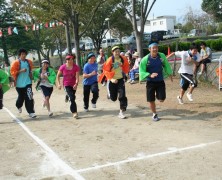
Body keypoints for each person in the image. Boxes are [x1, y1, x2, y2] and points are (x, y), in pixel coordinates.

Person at [139, 43, 173, 121]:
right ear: (149, 49)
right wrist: (150, 75)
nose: (155, 49)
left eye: (156, 48)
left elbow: (166, 65)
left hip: (160, 81)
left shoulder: (161, 56)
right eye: (153, 48)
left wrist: (170, 74)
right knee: (151, 100)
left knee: (161, 99)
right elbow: (141, 71)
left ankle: (158, 95)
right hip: (150, 82)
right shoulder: (145, 59)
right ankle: (154, 114)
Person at [101, 46, 130, 119]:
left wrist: (126, 73)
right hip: (112, 80)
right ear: (112, 52)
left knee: (122, 95)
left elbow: (126, 65)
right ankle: (110, 95)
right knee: (113, 98)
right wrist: (111, 79)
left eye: (118, 51)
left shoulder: (123, 58)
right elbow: (105, 71)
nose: (117, 53)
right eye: (115, 51)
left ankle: (121, 111)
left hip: (120, 79)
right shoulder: (110, 60)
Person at [10, 48, 36, 118]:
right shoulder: (16, 63)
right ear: (19, 55)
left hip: (28, 83)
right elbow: (12, 73)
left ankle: (31, 112)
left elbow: (31, 71)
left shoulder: (29, 62)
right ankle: (18, 106)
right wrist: (20, 71)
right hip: (19, 84)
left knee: (29, 96)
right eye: (22, 54)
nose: (24, 55)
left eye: (25, 54)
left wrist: (31, 75)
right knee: (21, 97)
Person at [56, 54, 80, 118]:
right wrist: (58, 84)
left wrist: (76, 84)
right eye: (68, 59)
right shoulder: (62, 67)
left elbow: (77, 77)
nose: (69, 61)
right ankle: (74, 112)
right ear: (66, 60)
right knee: (72, 98)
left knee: (72, 96)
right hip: (66, 85)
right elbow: (58, 76)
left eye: (71, 59)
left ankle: (67, 96)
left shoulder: (76, 67)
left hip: (73, 85)